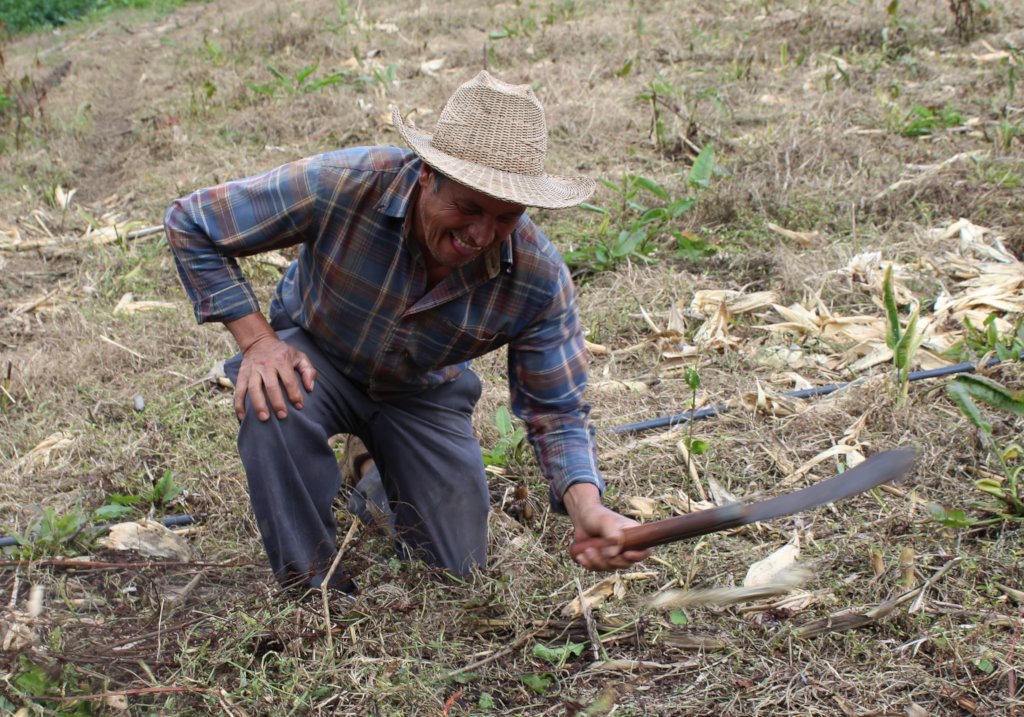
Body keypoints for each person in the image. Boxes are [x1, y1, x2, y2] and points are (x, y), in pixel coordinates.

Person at [164, 71, 650, 596]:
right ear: (425, 175)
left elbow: (556, 411)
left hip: (422, 392)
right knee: (273, 402)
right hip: (316, 355)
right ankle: (311, 589)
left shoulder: (537, 278)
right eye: (467, 207)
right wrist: (258, 342)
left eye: (505, 216)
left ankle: (373, 469)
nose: (480, 235)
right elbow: (191, 222)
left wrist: (587, 505)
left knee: (457, 574)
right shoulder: (345, 182)